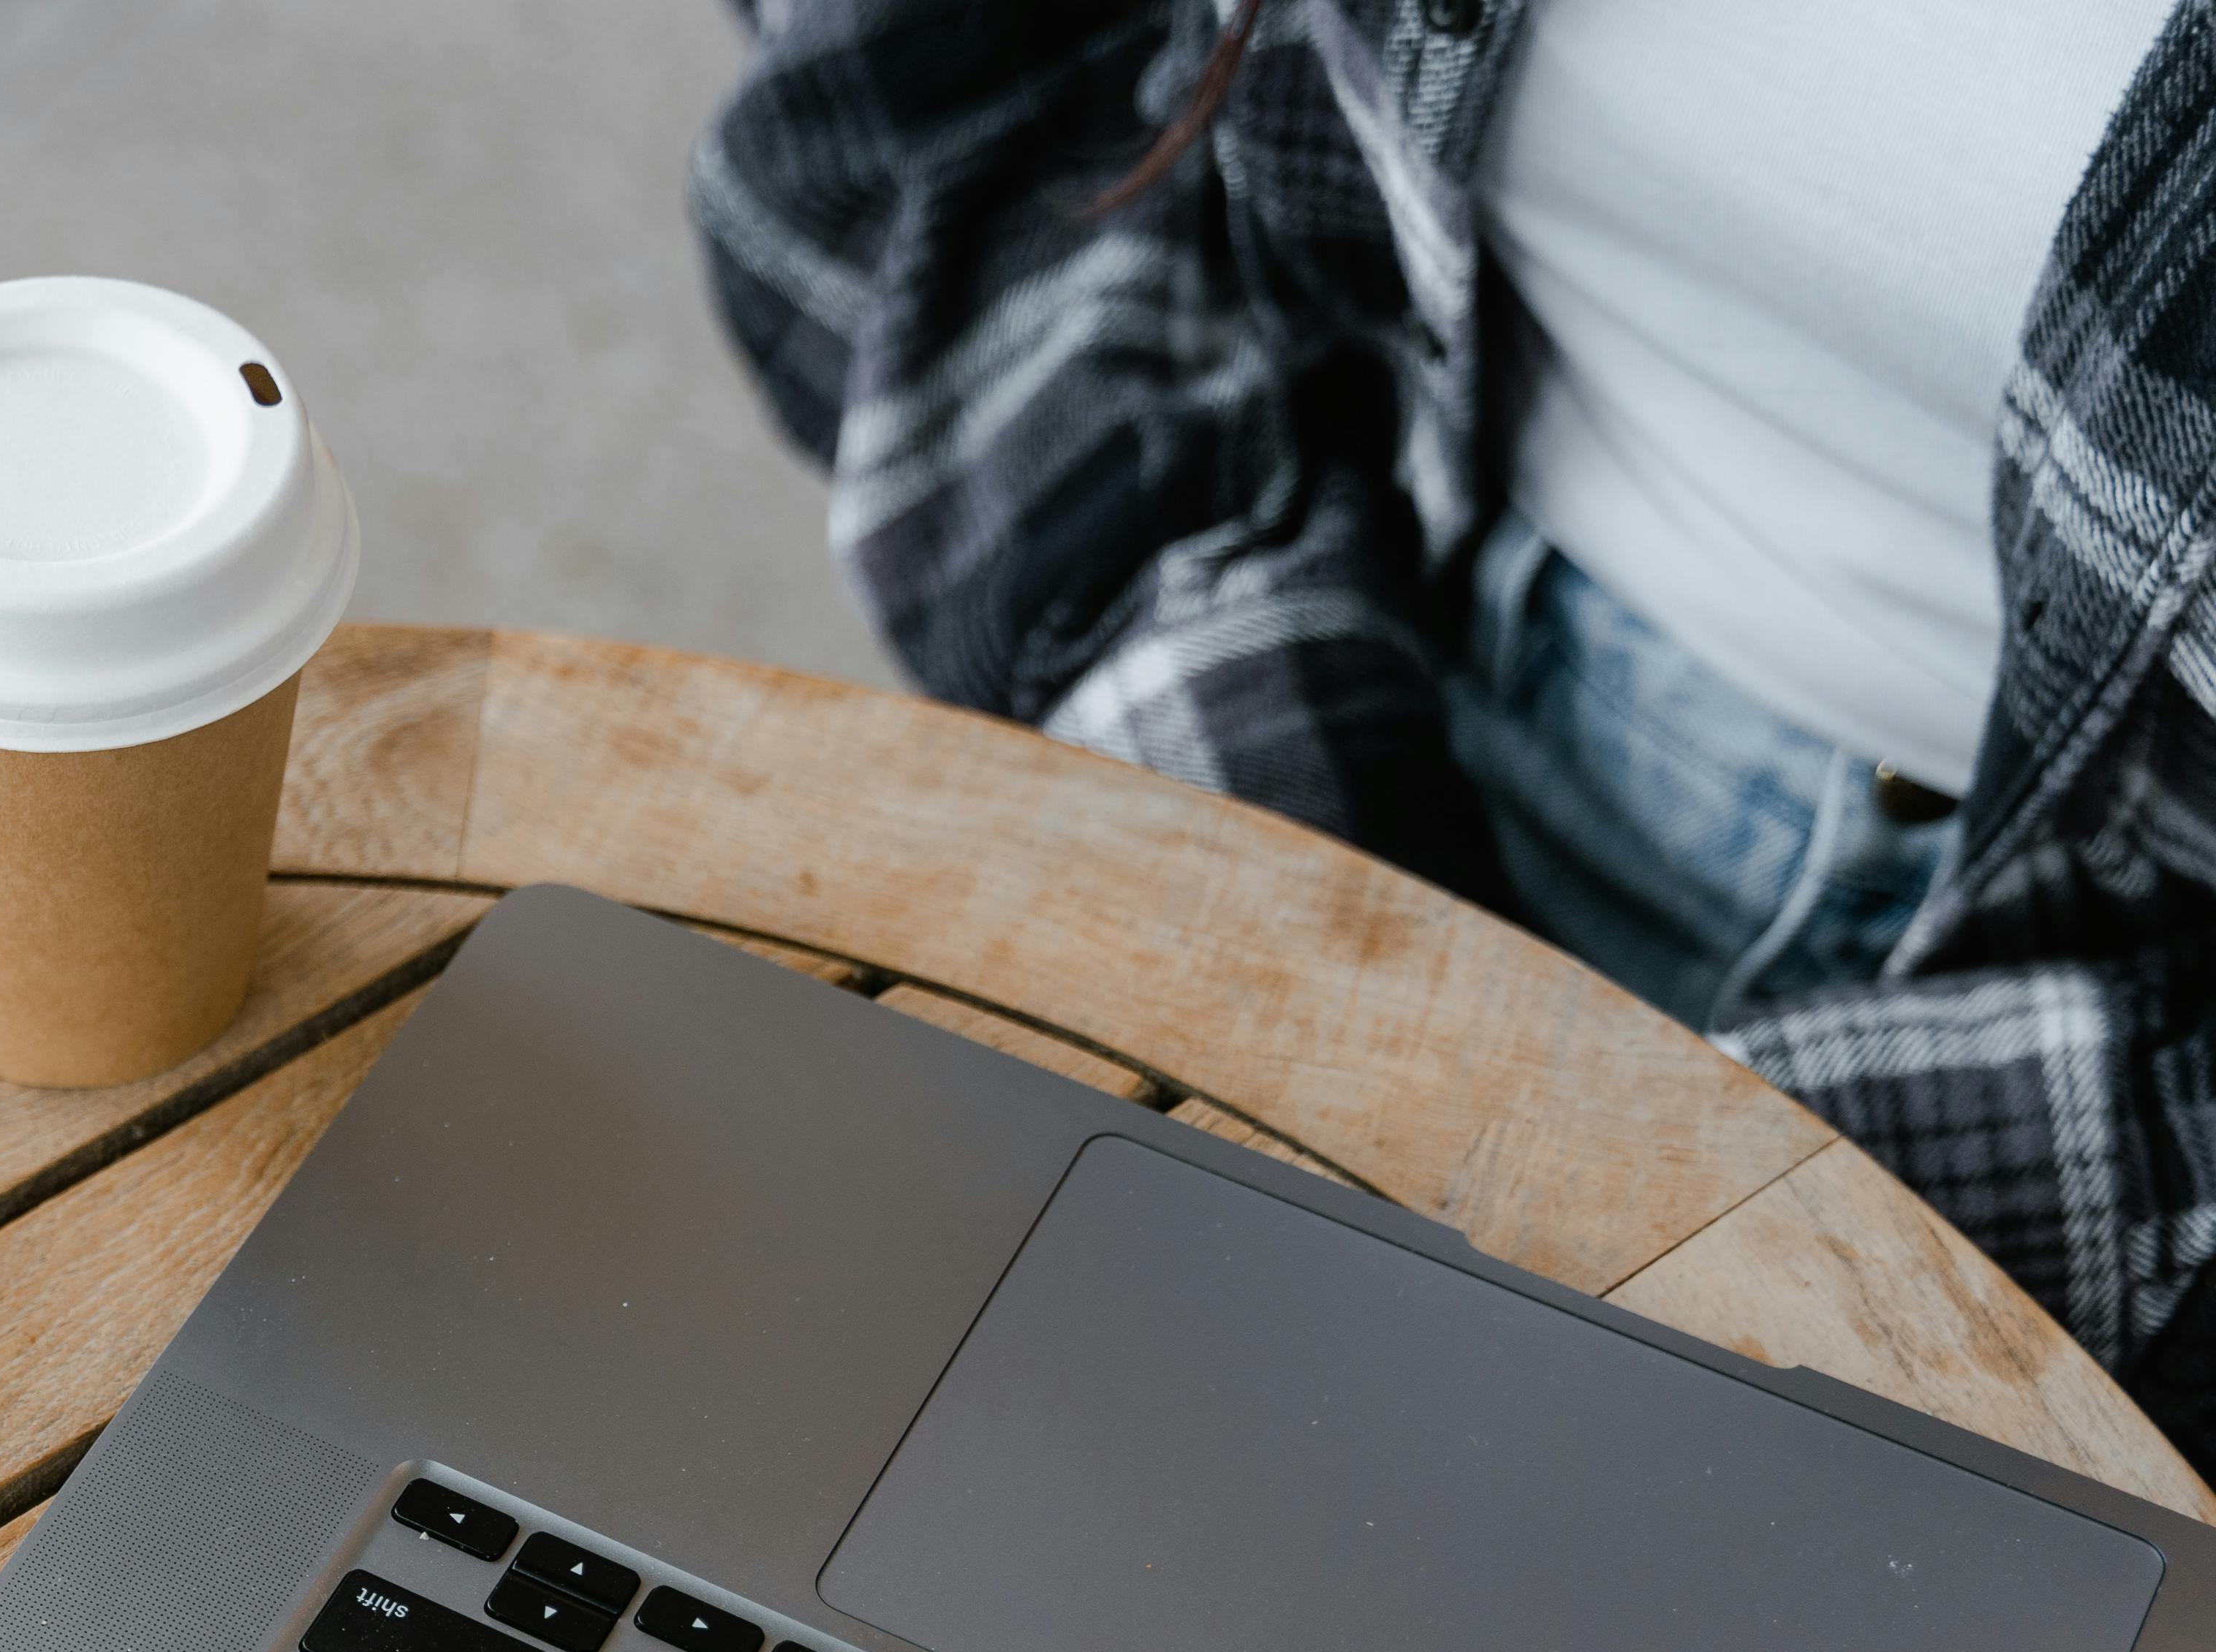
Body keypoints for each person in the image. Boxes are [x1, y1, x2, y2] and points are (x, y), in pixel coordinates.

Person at [693, 0, 2216, 1466]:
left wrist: (1629, 1208)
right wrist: (1250, 838)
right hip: (1337, 641)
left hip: (2146, 1116)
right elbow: (928, 88)